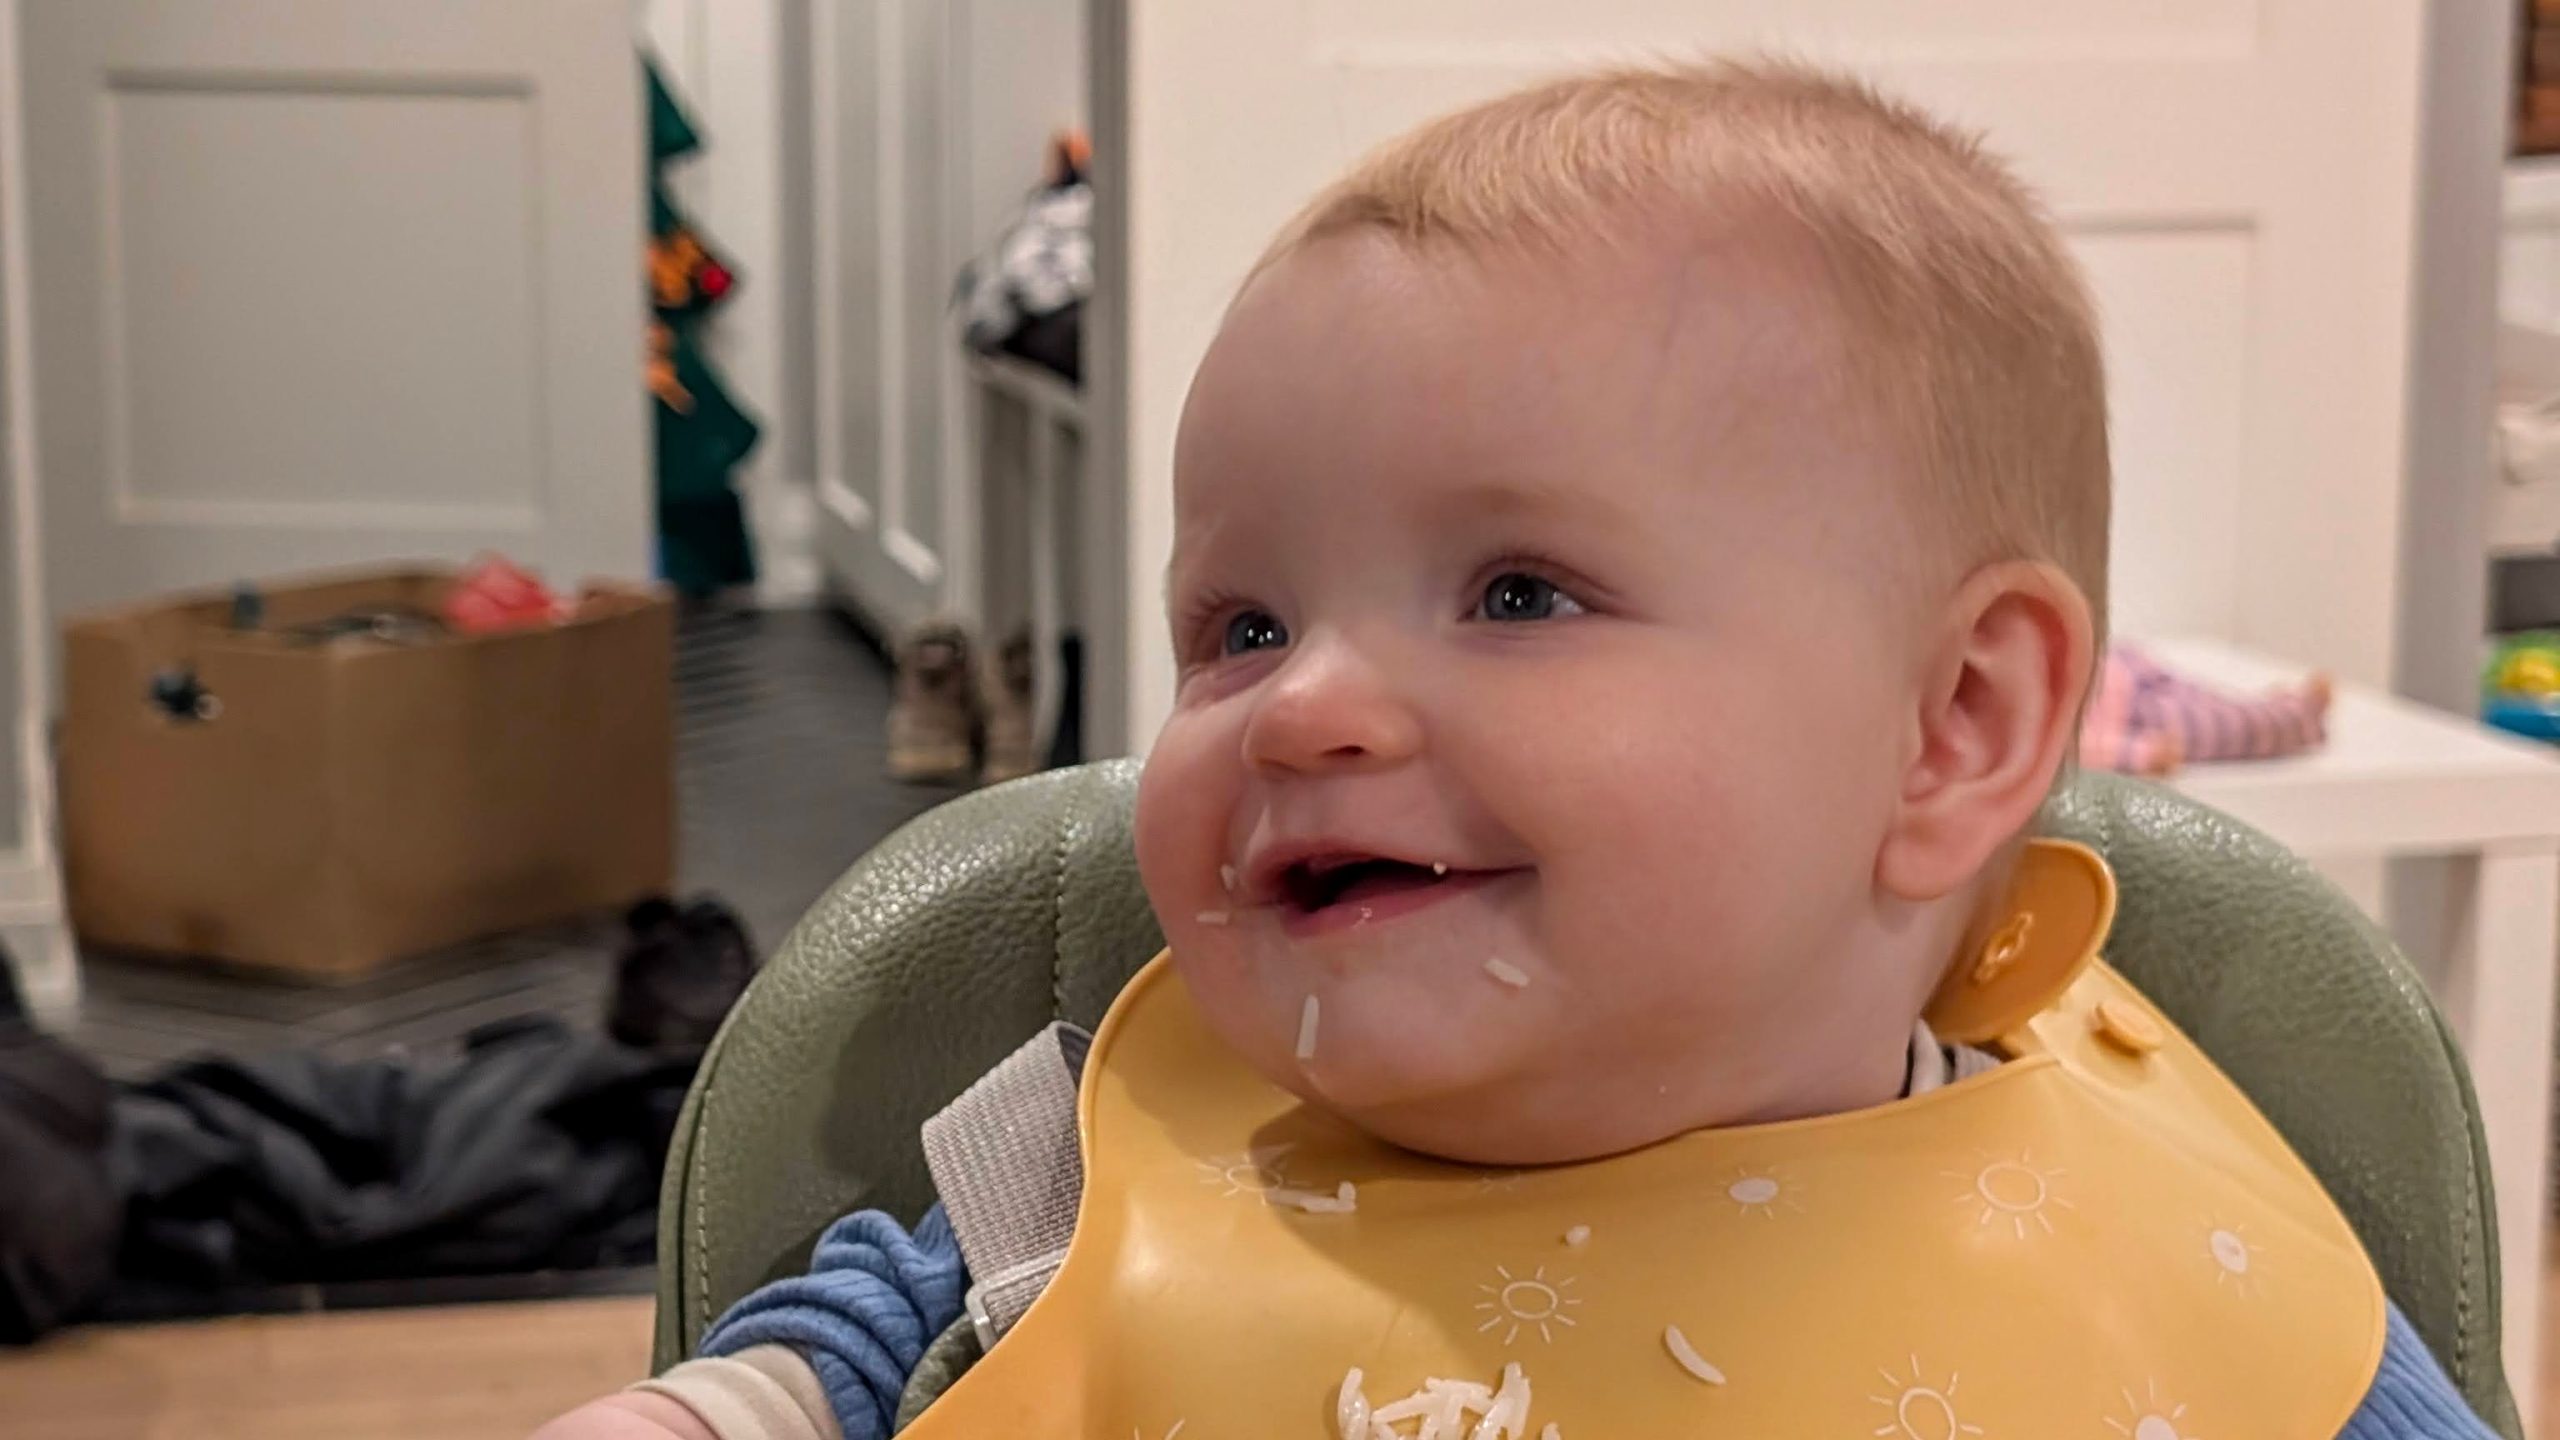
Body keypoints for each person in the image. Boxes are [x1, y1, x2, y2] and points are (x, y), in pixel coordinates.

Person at [538, 60, 2499, 1439]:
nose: (1300, 705)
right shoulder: (1099, 1155)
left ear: (1951, 728)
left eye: (1517, 594)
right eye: (1239, 627)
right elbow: (857, 1346)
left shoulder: (2170, 1265)